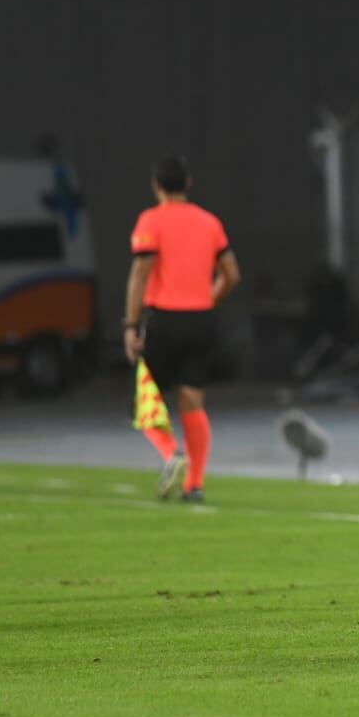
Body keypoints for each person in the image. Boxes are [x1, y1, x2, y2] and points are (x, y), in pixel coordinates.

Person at [123, 154, 240, 502]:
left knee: (145, 400)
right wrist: (208, 299)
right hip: (200, 318)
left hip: (165, 318)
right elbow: (232, 274)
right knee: (193, 401)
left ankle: (171, 453)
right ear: (188, 184)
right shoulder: (209, 222)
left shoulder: (151, 221)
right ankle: (195, 484)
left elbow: (141, 273)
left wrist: (130, 325)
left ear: (155, 185)